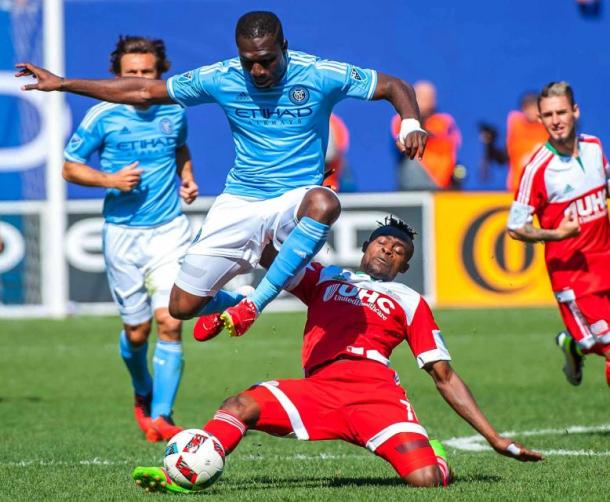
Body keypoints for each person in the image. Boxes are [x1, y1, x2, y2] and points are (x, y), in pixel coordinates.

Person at [16, 11, 427, 340]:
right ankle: (240, 297)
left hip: (296, 196)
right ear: (239, 54)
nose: (260, 71)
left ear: (284, 46)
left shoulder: (319, 73)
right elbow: (143, 91)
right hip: (240, 201)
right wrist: (63, 83)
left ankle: (255, 304)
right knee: (181, 307)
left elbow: (394, 85)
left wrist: (410, 122)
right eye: (251, 62)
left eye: (268, 60)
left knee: (325, 202)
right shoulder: (221, 77)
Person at [132, 215, 542, 494]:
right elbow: (276, 252)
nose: (388, 251)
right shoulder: (328, 276)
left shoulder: (410, 300)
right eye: (382, 243)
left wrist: (495, 438)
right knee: (238, 405)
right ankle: (185, 473)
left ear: (404, 266)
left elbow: (443, 375)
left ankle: (435, 456)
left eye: (399, 251)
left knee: (425, 480)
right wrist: (303, 201)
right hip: (319, 390)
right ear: (365, 248)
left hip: (375, 394)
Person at [62, 36, 199, 441]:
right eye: (130, 74)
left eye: (147, 72)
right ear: (116, 77)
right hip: (122, 235)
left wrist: (187, 176)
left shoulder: (173, 109)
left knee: (170, 322)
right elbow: (70, 168)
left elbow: (180, 147)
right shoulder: (102, 115)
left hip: (170, 230)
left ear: (160, 74)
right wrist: (109, 179)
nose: (139, 81)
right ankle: (143, 392)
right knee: (138, 332)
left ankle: (162, 416)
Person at [507, 81, 610, 386]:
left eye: (561, 112)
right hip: (575, 279)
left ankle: (574, 344)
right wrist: (557, 233)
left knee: (594, 341)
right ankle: (578, 342)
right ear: (540, 119)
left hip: (606, 263)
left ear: (575, 111)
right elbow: (515, 228)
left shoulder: (593, 146)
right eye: (548, 114)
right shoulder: (538, 168)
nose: (556, 120)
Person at [391, 80, 460, 190]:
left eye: (429, 97)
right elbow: (404, 140)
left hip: (443, 180)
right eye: (421, 96)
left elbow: (434, 134)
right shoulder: (400, 120)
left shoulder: (444, 121)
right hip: (416, 179)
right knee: (410, 165)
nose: (426, 100)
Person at [505, 92, 548, 192]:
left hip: (544, 190)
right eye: (527, 107)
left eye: (534, 107)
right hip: (518, 188)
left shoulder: (549, 128)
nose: (530, 111)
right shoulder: (516, 125)